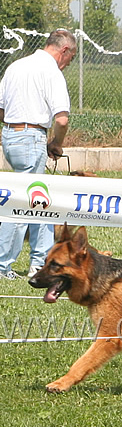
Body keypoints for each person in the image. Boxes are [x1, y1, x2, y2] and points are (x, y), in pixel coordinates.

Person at [0, 29, 77, 280]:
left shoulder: (16, 66)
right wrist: (55, 142)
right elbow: (62, 120)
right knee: (25, 205)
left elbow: (1, 109)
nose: (68, 64)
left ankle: (39, 259)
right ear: (64, 50)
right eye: (71, 58)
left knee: (38, 202)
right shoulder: (51, 72)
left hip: (10, 136)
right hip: (32, 138)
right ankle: (5, 266)